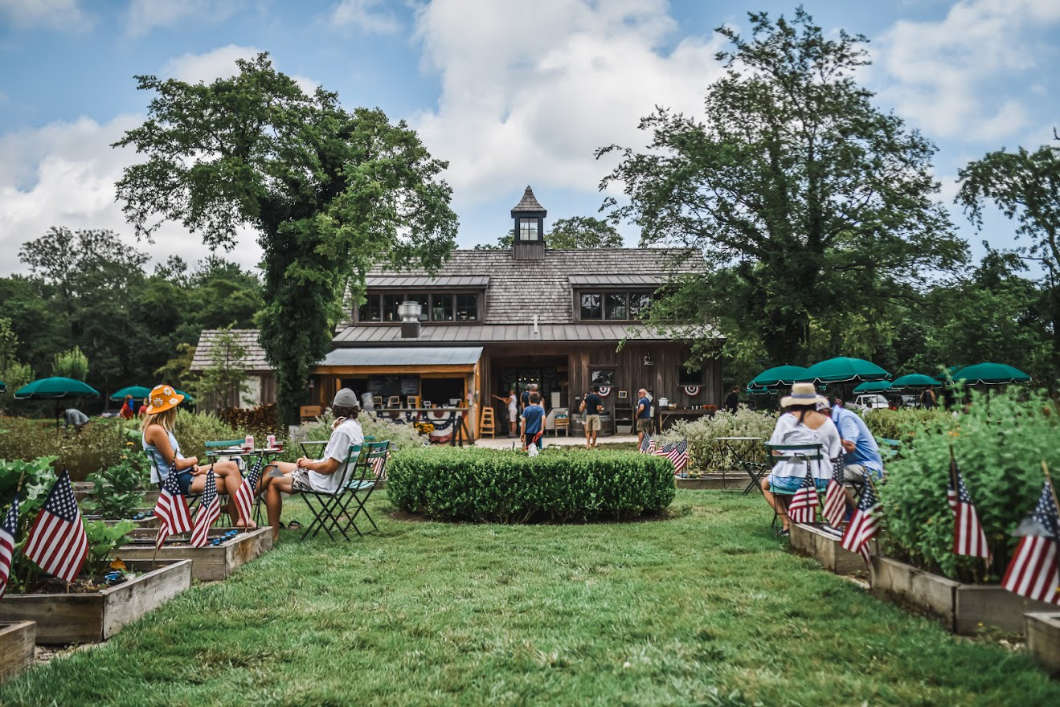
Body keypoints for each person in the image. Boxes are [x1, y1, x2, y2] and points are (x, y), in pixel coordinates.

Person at [259, 388, 364, 541]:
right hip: (331, 477)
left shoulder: (343, 432)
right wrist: (311, 462)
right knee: (273, 466)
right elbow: (332, 460)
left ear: (336, 408)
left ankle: (272, 533)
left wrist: (308, 464)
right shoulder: (354, 427)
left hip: (323, 481)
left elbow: (329, 468)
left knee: (273, 481)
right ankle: (247, 499)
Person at [141, 384, 252, 527]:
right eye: (175, 406)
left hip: (185, 473)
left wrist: (191, 464)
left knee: (231, 468)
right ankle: (240, 519)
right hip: (177, 480)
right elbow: (176, 464)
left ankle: (239, 518)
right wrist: (193, 459)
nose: (176, 409)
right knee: (232, 482)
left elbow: (177, 461)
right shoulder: (156, 430)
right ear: (168, 409)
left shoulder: (159, 429)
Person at [760, 383, 842, 535]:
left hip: (792, 479)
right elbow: (835, 453)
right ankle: (800, 523)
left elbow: (775, 450)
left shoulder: (785, 420)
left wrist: (790, 457)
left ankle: (787, 523)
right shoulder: (827, 422)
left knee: (767, 484)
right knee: (786, 481)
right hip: (821, 480)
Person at [821, 397, 884, 504]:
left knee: (827, 475)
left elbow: (850, 447)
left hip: (867, 466)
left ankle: (854, 515)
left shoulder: (845, 417)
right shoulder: (831, 422)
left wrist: (832, 437)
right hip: (851, 465)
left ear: (825, 411)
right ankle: (847, 515)